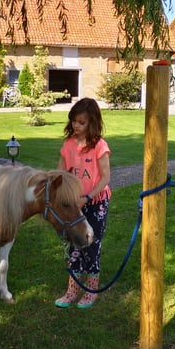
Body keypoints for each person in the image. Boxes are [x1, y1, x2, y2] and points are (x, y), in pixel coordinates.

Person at [54, 98, 111, 309]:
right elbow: (60, 175)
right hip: (74, 205)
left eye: (81, 122)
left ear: (92, 123)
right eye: (74, 121)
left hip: (96, 204)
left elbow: (105, 178)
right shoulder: (68, 146)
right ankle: (72, 291)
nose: (76, 126)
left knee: (92, 245)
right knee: (74, 246)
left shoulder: (100, 146)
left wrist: (87, 197)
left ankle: (90, 291)